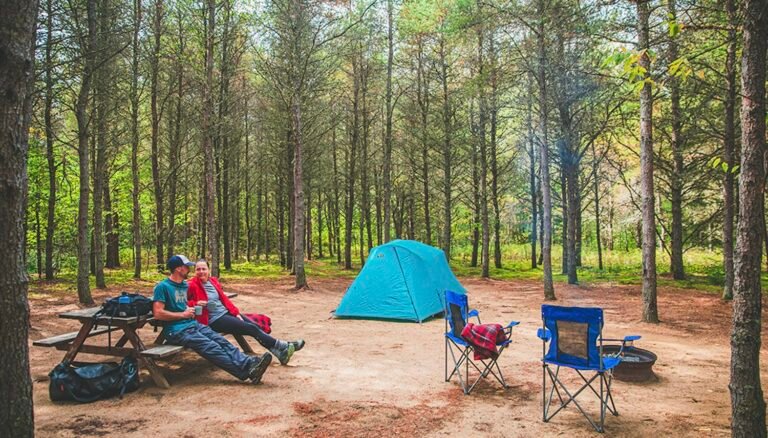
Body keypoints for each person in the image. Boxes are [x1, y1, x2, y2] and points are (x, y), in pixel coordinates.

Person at [152, 254, 272, 384]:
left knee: (220, 340)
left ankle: (248, 363)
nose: (189, 269)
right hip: (176, 330)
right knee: (211, 347)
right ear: (178, 269)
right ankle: (245, 372)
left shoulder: (183, 286)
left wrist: (194, 306)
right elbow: (158, 313)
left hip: (192, 324)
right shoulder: (162, 287)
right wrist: (183, 315)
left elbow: (185, 304)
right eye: (187, 266)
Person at [187, 259, 305, 365]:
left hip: (225, 313)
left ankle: (281, 354)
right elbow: (181, 304)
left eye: (204, 269)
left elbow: (224, 299)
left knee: (253, 325)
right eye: (198, 269)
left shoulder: (213, 281)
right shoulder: (191, 285)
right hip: (213, 320)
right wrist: (195, 304)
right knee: (251, 328)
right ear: (194, 271)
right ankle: (284, 345)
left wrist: (236, 313)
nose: (201, 271)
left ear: (208, 270)